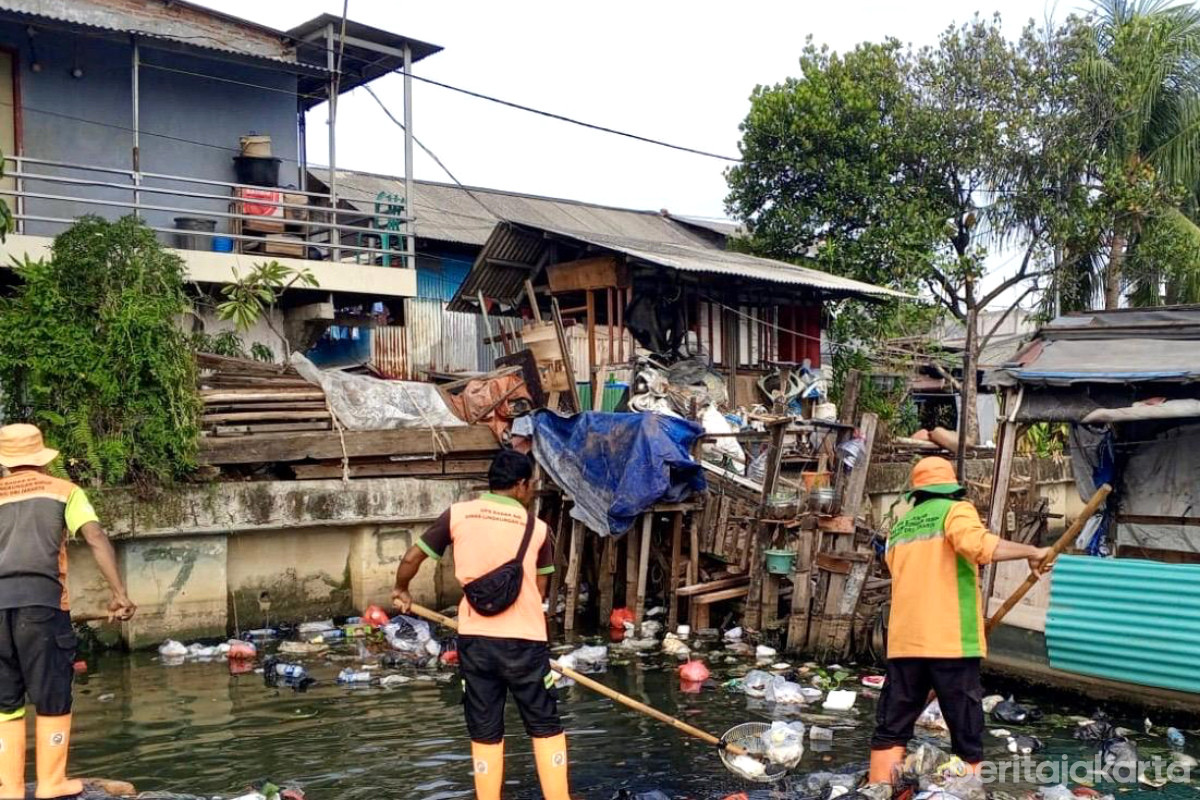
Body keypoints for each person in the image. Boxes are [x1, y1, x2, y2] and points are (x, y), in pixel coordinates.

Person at [392, 449, 567, 800]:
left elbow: (413, 556)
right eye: (530, 485)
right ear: (520, 485)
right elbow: (542, 588)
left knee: (485, 727)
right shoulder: (537, 529)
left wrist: (401, 590)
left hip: (475, 641)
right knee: (545, 724)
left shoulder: (458, 514)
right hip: (525, 642)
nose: (530, 491)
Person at [869, 456, 1052, 784]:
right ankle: (967, 790)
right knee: (966, 732)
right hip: (950, 641)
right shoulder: (956, 511)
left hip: (904, 643)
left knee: (891, 728)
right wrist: (1031, 552)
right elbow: (978, 545)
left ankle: (878, 788)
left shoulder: (900, 526)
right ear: (951, 489)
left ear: (918, 493)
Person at [0, 423, 136, 800]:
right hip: (41, 606)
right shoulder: (64, 491)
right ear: (41, 458)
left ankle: (9, 788)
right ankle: (51, 783)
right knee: (52, 691)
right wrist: (119, 593)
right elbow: (94, 537)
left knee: (4, 698)